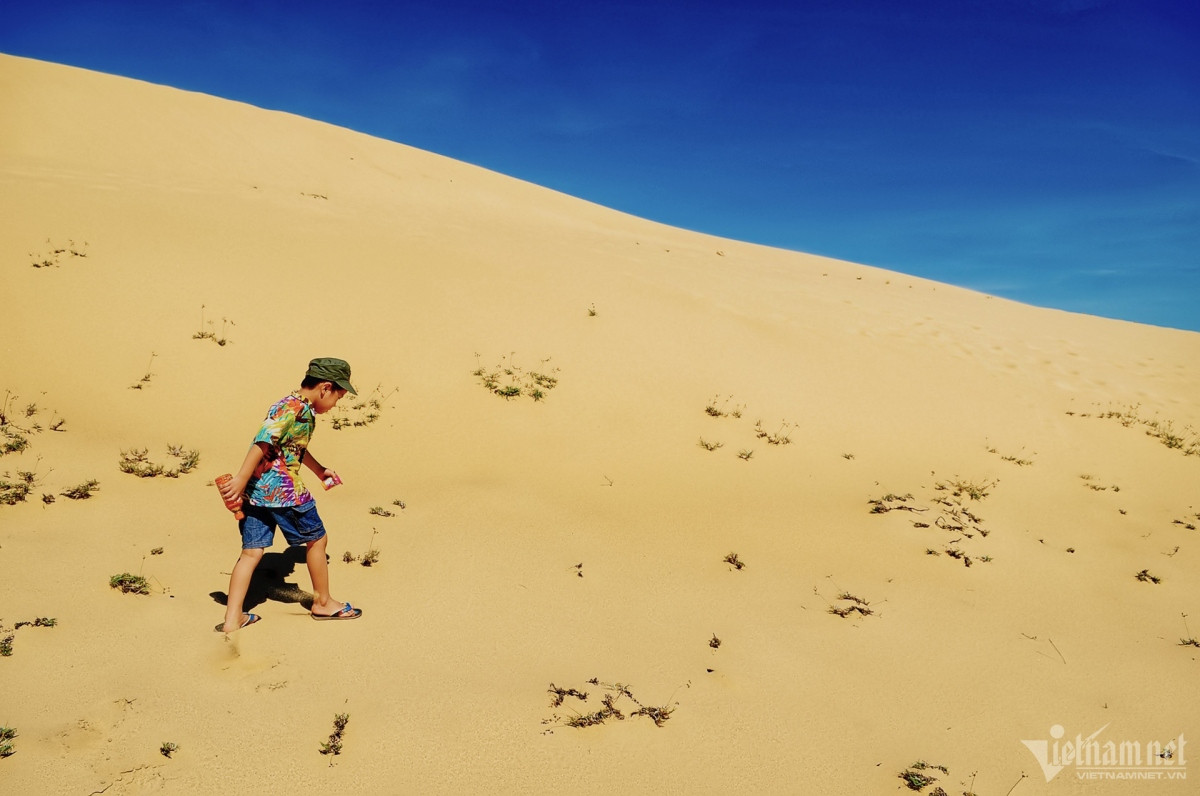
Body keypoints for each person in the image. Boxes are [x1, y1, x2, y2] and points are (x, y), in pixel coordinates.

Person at [216, 357, 363, 633]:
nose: (335, 405)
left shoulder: (289, 405)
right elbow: (263, 441)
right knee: (318, 539)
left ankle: (232, 618)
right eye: (338, 397)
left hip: (257, 494)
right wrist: (239, 478)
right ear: (325, 388)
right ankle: (323, 602)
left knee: (250, 553)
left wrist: (320, 471)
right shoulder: (296, 410)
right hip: (285, 493)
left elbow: (291, 447)